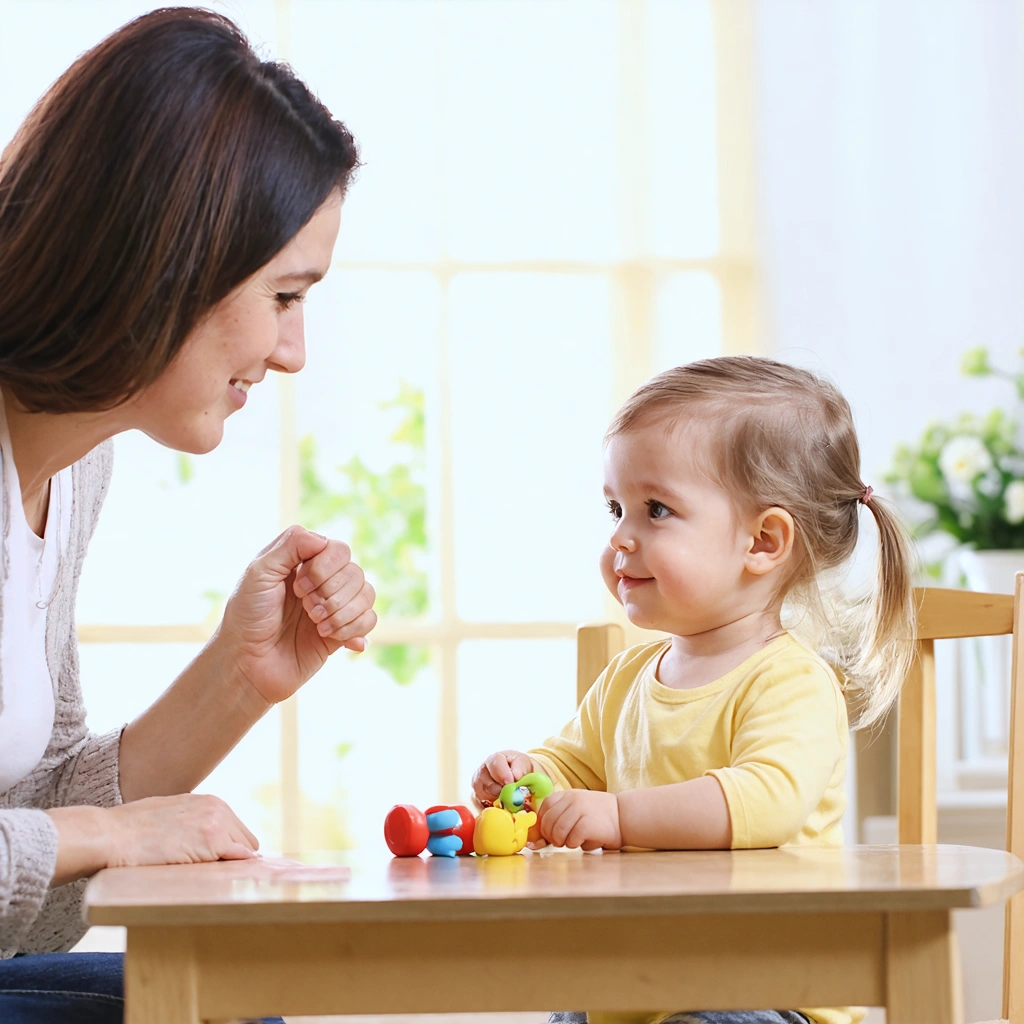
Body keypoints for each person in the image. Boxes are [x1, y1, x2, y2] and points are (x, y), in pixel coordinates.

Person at [0, 8, 375, 1022]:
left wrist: (237, 677)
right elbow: (64, 846)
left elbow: (27, 857)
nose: (294, 352)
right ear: (170, 255)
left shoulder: (69, 471)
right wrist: (110, 838)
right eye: (286, 295)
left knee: (232, 1002)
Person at [472, 356, 917, 1024]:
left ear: (762, 541)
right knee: (559, 1006)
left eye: (656, 510)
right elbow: (574, 767)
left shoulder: (790, 681)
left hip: (767, 994)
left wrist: (618, 819)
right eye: (616, 507)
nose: (621, 536)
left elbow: (766, 801)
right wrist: (528, 773)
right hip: (635, 989)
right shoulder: (627, 679)